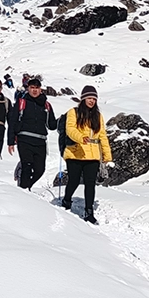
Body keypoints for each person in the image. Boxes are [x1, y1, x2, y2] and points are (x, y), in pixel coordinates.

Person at [60, 85, 112, 224]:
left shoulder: (98, 116)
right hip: (75, 152)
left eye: (94, 98)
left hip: (93, 155)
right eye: (89, 98)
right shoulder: (73, 112)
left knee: (90, 184)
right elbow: (70, 129)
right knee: (74, 180)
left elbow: (103, 136)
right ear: (83, 99)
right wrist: (80, 138)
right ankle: (67, 200)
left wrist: (107, 155)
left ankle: (89, 212)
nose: (92, 101)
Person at [7, 77, 55, 190]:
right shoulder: (21, 102)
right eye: (32, 87)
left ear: (40, 89)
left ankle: (26, 185)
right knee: (27, 166)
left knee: (40, 170)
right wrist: (10, 142)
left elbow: (52, 125)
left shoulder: (46, 105)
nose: (34, 90)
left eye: (37, 88)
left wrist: (63, 120)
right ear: (28, 88)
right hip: (24, 139)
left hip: (40, 141)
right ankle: (24, 192)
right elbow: (12, 122)